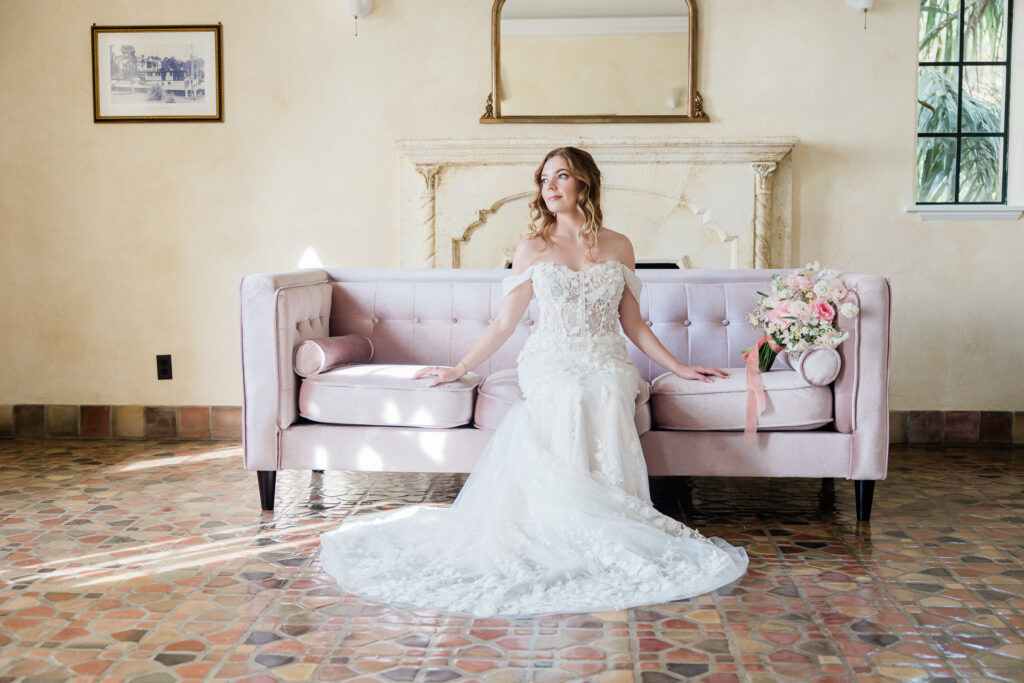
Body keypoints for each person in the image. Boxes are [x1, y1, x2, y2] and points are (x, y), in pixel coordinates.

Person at [319, 147, 748, 617]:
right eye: (545, 178)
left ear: (584, 183)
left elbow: (634, 324)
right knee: (569, 390)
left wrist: (680, 367)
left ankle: (605, 512)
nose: (550, 186)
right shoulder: (532, 247)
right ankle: (561, 520)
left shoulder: (619, 245)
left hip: (605, 357)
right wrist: (460, 368)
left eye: (561, 176)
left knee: (603, 389)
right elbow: (505, 323)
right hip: (550, 359)